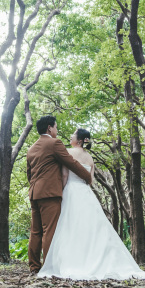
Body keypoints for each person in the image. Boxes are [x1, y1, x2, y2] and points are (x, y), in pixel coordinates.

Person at [38, 128, 145, 280]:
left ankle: (73, 261)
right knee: (92, 229)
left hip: (71, 191)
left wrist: (61, 191)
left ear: (79, 140)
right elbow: (90, 180)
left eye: (73, 134)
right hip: (86, 194)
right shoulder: (90, 158)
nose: (71, 136)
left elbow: (65, 175)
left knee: (71, 227)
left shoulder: (68, 153)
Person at [26, 116, 93, 274]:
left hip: (35, 193)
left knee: (36, 231)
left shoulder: (31, 148)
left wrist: (36, 187)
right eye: (56, 127)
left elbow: (30, 174)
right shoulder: (54, 144)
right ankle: (50, 267)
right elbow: (72, 163)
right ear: (49, 128)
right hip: (50, 193)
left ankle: (34, 267)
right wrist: (87, 176)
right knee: (50, 230)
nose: (57, 130)